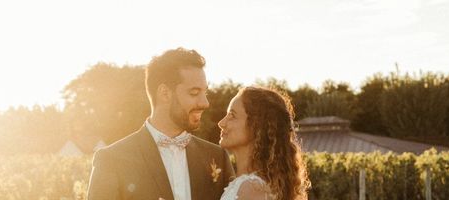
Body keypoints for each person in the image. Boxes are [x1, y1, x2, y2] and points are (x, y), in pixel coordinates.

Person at [87, 48, 235, 200]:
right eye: (194, 93)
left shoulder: (218, 158)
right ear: (165, 93)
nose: (205, 103)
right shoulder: (112, 160)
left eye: (205, 92)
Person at [217, 86, 310, 200]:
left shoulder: (251, 190)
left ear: (256, 126)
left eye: (232, 115)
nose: (221, 123)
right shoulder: (251, 186)